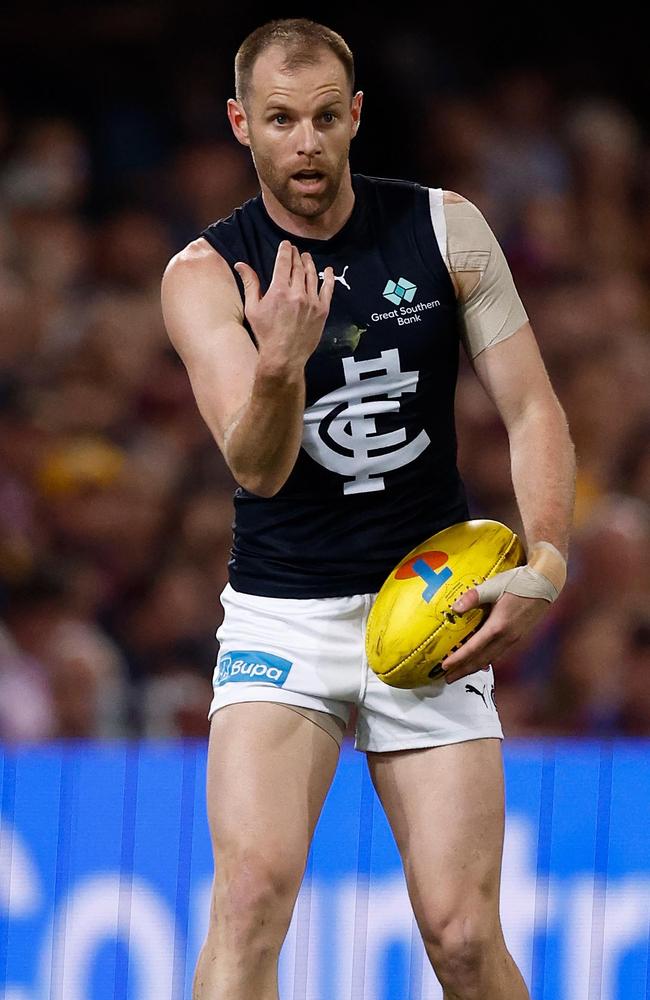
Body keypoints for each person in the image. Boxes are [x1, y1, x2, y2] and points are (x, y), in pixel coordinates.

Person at [160, 17, 575, 1000]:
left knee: (463, 935)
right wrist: (277, 366)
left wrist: (546, 563)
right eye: (276, 120)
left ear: (353, 116)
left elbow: (530, 407)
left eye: (319, 118)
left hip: (430, 601)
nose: (301, 143)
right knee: (248, 900)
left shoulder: (444, 229)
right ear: (239, 125)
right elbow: (256, 470)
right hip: (281, 616)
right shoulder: (202, 276)